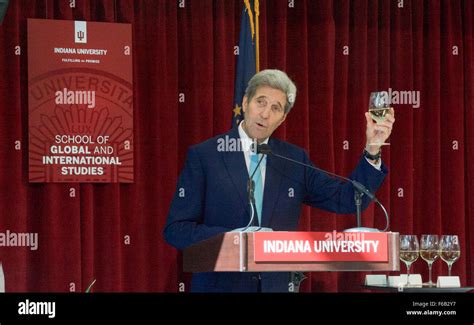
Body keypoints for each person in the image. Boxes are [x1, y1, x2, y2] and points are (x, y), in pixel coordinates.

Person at [163, 69, 395, 292]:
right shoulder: (205, 156)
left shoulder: (294, 159)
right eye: (260, 102)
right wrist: (235, 240)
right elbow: (177, 230)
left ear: (283, 118)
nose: (265, 114)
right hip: (219, 285)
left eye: (276, 108)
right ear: (245, 103)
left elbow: (348, 199)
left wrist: (372, 149)